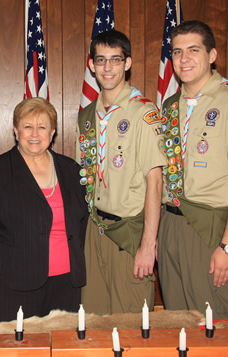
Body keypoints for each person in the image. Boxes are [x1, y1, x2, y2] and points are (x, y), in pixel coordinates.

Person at [158, 20, 228, 318]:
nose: (184, 59)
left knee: (215, 329)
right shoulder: (169, 107)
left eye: (194, 50)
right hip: (172, 226)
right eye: (177, 52)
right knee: (178, 327)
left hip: (212, 230)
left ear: (212, 55)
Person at [0, 97, 88, 323]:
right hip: (15, 284)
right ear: (16, 131)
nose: (34, 134)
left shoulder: (71, 170)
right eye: (27, 127)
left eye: (42, 127)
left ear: (52, 132)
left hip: (67, 283)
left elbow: (81, 223)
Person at [76, 30, 167, 314]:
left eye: (115, 60)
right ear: (91, 64)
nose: (107, 68)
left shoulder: (143, 112)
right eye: (100, 60)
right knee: (92, 321)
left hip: (129, 232)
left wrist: (148, 245)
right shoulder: (87, 114)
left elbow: (155, 181)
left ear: (127, 63)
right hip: (94, 229)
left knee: (130, 324)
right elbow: (85, 175)